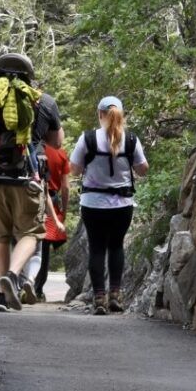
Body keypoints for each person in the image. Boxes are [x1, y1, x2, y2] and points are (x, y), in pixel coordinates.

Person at [0, 53, 62, 312]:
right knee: (31, 234)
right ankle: (13, 274)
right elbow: (57, 142)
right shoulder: (44, 101)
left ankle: (2, 298)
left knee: (0, 238)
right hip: (29, 180)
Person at [70, 96, 148, 315]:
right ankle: (116, 294)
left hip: (93, 203)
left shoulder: (87, 139)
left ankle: (99, 298)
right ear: (121, 115)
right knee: (116, 246)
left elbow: (74, 169)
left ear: (99, 114)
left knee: (96, 248)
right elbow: (143, 169)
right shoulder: (131, 139)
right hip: (122, 204)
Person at [19, 138, 70, 304]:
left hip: (26, 196)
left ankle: (22, 285)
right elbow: (66, 187)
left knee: (25, 241)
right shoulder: (61, 154)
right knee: (43, 247)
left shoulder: (31, 149)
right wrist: (64, 211)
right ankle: (38, 289)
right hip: (50, 199)